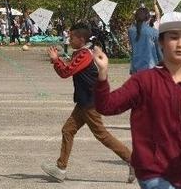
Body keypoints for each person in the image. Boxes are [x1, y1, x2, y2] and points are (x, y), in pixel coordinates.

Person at [93, 11, 181, 189]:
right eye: (173, 37)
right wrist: (102, 74)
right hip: (152, 171)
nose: (180, 44)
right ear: (161, 42)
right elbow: (106, 106)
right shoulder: (144, 81)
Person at [41, 22, 134, 183]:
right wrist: (58, 60)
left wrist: (56, 60)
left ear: (81, 38)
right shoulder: (81, 52)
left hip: (90, 103)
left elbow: (67, 72)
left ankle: (133, 160)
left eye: (71, 37)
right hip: (84, 102)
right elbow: (69, 67)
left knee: (102, 135)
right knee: (68, 130)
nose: (69, 40)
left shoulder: (84, 55)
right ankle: (60, 168)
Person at [128, 7, 161, 74]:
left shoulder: (131, 31)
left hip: (135, 68)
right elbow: (159, 52)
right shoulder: (154, 32)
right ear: (148, 18)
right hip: (150, 68)